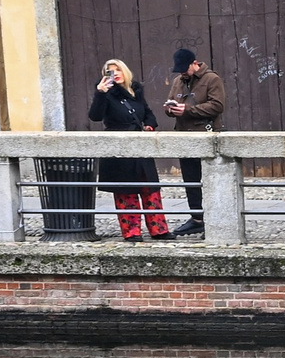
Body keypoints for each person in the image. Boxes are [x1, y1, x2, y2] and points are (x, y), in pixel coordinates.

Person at [86, 59, 167, 241]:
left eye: (118, 70)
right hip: (119, 148)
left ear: (125, 71)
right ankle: (132, 232)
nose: (115, 74)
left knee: (151, 189)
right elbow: (95, 116)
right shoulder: (106, 94)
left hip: (139, 147)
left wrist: (149, 125)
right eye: (110, 71)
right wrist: (101, 93)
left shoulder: (135, 91)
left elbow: (147, 113)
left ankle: (159, 230)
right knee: (126, 192)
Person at [161, 46, 225, 237]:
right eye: (179, 70)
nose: (182, 73)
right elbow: (170, 101)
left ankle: (216, 221)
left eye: (185, 68)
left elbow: (217, 106)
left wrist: (187, 110)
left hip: (207, 136)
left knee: (212, 181)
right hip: (184, 137)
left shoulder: (212, 79)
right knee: (191, 181)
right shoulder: (178, 81)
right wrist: (170, 109)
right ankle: (197, 219)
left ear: (194, 63)